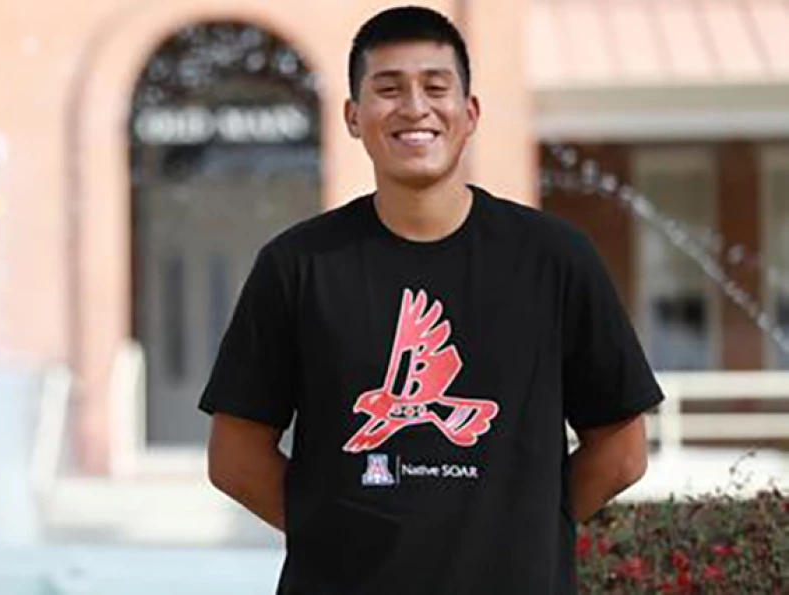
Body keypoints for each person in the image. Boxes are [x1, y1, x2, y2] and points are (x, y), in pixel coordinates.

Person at [199, 5, 663, 594]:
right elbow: (234, 458)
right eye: (388, 89)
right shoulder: (297, 266)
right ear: (352, 115)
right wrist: (332, 533)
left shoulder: (555, 258)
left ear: (469, 114)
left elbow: (622, 451)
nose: (414, 107)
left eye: (435, 87)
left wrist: (519, 529)